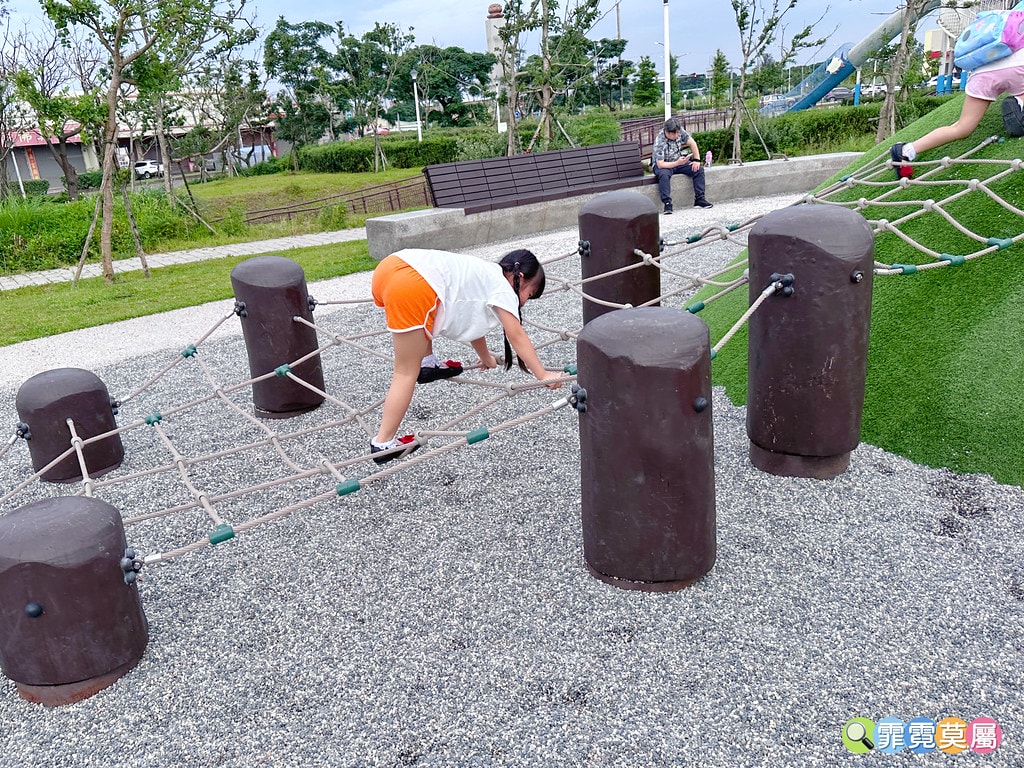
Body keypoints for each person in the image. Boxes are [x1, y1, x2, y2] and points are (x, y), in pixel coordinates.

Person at [369, 248, 564, 464]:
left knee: (429, 311)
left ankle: (428, 362)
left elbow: (473, 318)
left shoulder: (485, 273)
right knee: (405, 372)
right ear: (519, 277)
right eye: (529, 294)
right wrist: (543, 374)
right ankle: (383, 443)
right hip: (412, 283)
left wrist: (485, 356)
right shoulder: (504, 288)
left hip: (391, 267)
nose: (524, 302)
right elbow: (516, 334)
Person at [890, 48, 1024, 179]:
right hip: (1019, 65)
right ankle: (1018, 106)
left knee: (961, 127)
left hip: (983, 71)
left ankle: (906, 150)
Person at [651, 117, 714, 214]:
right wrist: (677, 163)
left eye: (677, 133)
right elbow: (660, 164)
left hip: (678, 161)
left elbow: (692, 143)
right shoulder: (660, 141)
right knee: (663, 175)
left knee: (698, 169)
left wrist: (697, 160)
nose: (676, 135)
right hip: (664, 165)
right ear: (667, 132)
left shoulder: (680, 131)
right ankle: (667, 203)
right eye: (673, 133)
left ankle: (700, 199)